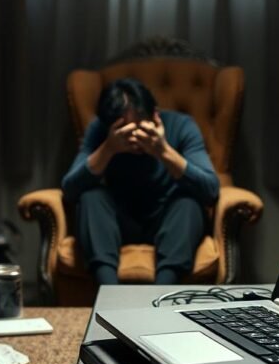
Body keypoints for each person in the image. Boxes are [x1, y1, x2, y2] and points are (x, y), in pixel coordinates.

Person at [61, 78, 220, 285]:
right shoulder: (100, 131)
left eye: (140, 124)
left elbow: (211, 189)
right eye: (124, 128)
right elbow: (69, 190)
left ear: (155, 114)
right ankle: (110, 295)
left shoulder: (181, 126)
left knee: (188, 203)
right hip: (119, 222)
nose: (134, 135)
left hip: (167, 219)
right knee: (91, 197)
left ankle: (160, 294)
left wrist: (163, 152)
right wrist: (108, 148)